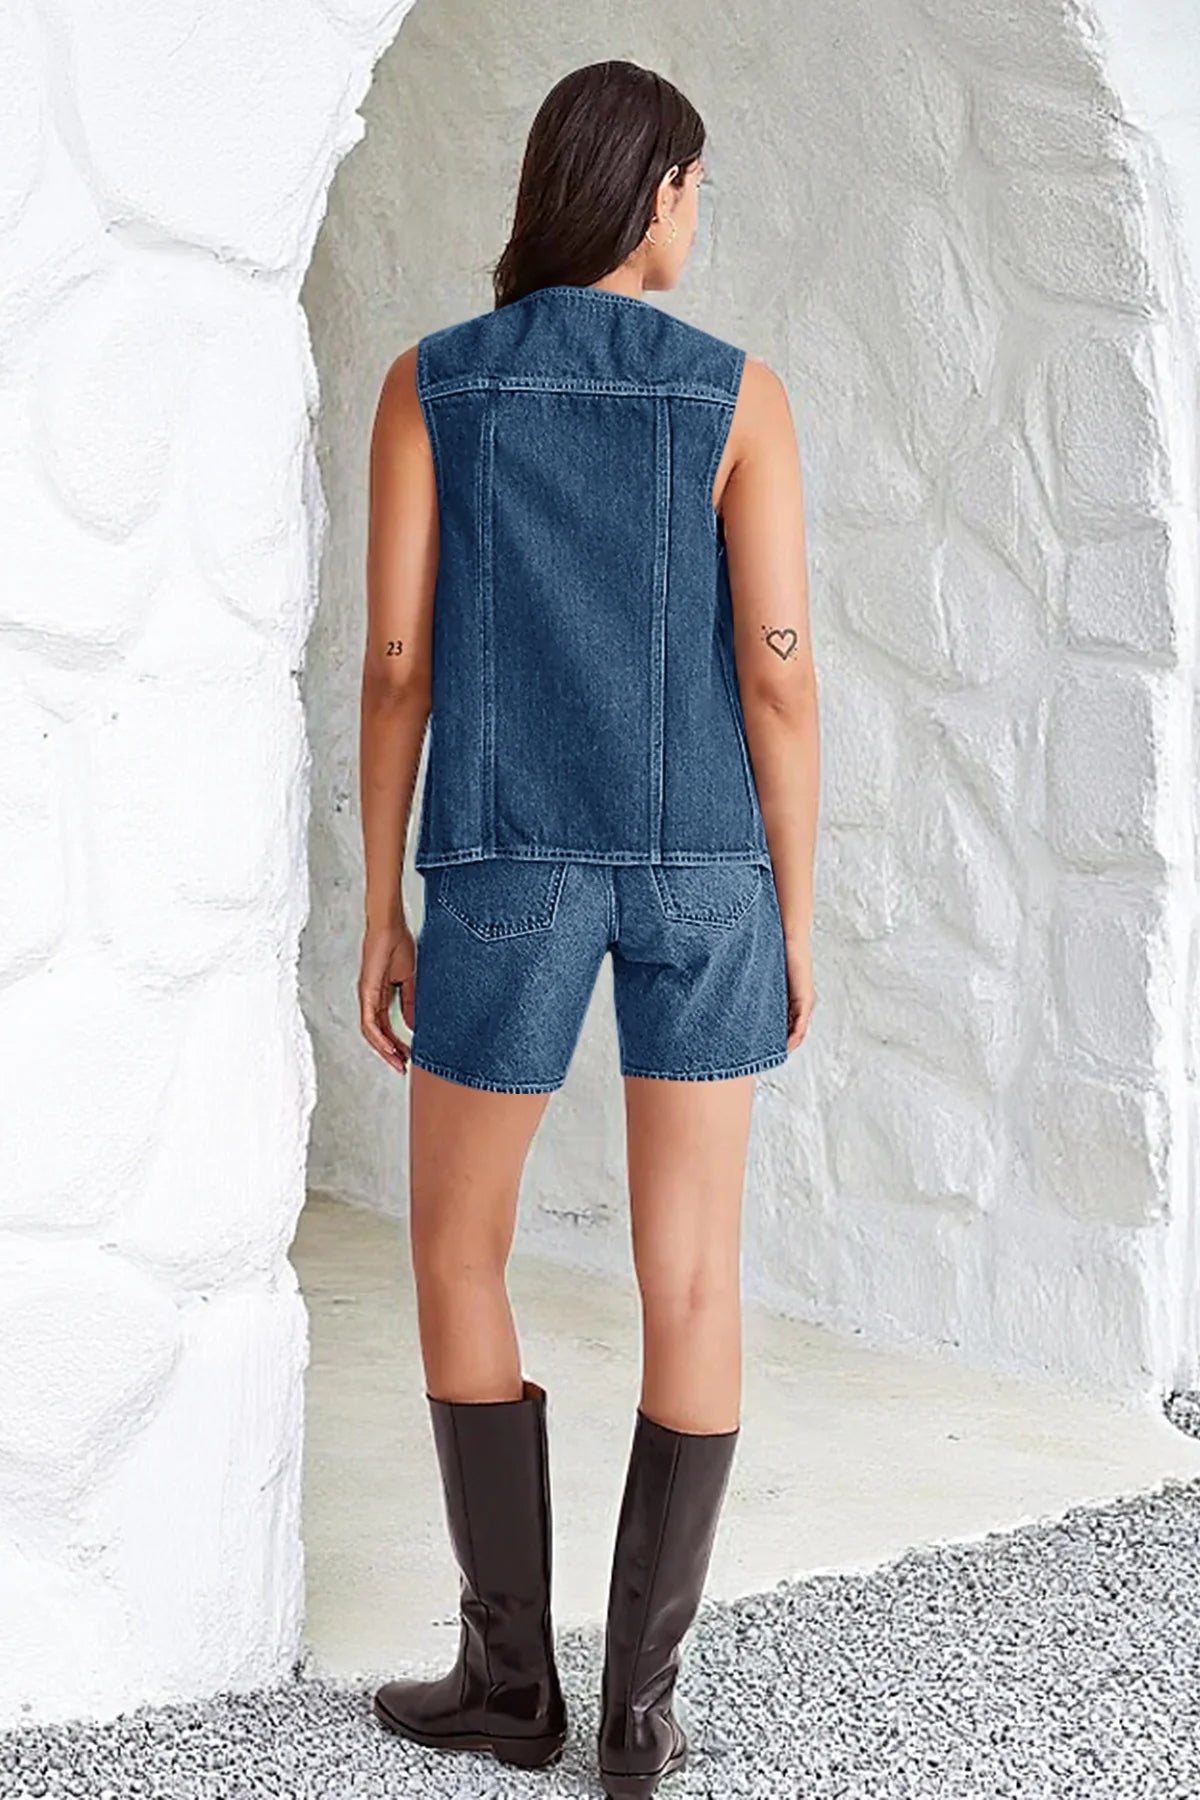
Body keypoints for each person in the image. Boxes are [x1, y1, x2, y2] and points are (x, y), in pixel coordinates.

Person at [356, 58, 818, 1800]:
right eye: (697, 188)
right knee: (691, 1271)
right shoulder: (737, 395)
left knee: (457, 1254)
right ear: (655, 194)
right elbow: (778, 677)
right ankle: (637, 1716)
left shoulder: (433, 385)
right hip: (706, 867)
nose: (700, 217)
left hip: (503, 864)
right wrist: (794, 907)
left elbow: (396, 665)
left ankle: (509, 1684)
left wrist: (380, 898)